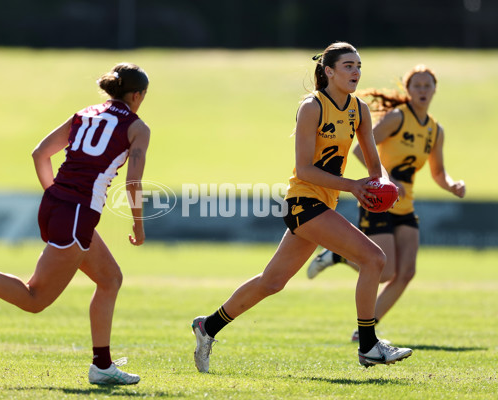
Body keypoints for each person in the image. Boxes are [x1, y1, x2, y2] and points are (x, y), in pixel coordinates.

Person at [0, 63, 151, 385]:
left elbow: (40, 154)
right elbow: (133, 183)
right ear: (137, 95)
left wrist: (56, 195)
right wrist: (139, 227)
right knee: (35, 299)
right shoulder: (138, 127)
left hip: (56, 205)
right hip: (76, 214)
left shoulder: (85, 113)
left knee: (110, 279)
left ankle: (102, 365)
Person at [191, 42, 413, 373]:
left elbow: (373, 163)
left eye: (359, 65)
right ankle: (368, 346)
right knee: (374, 258)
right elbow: (305, 169)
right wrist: (354, 186)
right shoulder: (312, 107)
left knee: (271, 282)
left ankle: (207, 326)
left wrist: (384, 186)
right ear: (329, 72)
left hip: (324, 202)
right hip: (303, 202)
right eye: (348, 66)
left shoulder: (359, 110)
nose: (356, 71)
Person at [307, 64, 466, 342]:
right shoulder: (397, 118)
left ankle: (364, 331)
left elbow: (438, 173)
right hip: (379, 201)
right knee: (385, 270)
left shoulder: (434, 130)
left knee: (406, 273)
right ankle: (339, 255)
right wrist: (388, 180)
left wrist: (452, 184)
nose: (422, 90)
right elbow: (360, 151)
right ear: (408, 90)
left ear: (434, 90)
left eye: (427, 86)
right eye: (417, 85)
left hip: (405, 207)